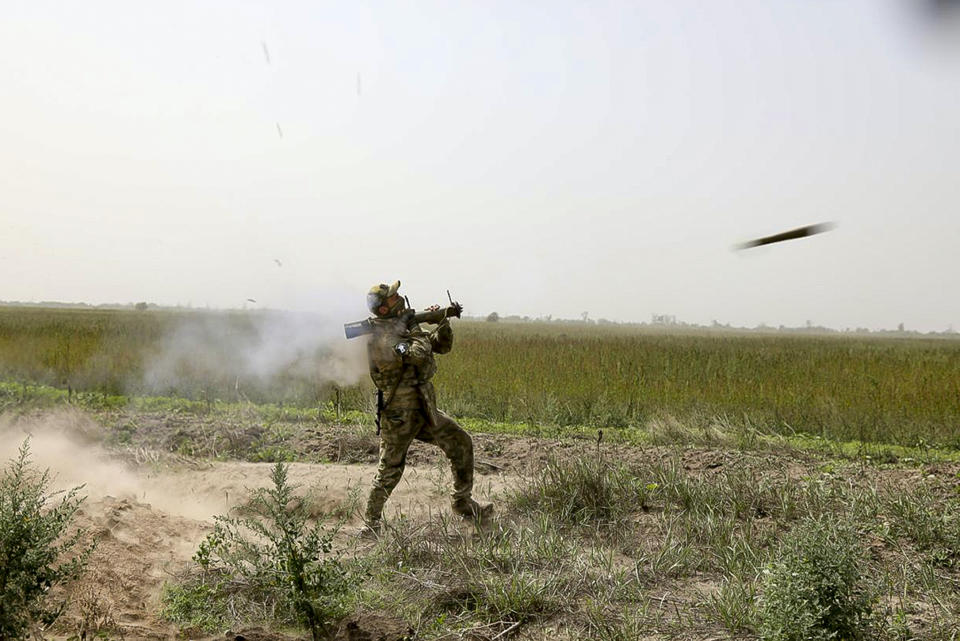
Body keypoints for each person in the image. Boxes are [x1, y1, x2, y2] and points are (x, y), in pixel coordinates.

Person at [361, 280, 492, 536]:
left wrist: (442, 322)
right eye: (392, 297)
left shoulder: (399, 329)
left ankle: (463, 503)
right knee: (390, 469)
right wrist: (415, 325)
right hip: (398, 415)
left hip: (422, 408)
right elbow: (418, 353)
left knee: (461, 442)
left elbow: (440, 346)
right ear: (383, 309)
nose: (398, 297)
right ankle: (370, 524)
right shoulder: (383, 339)